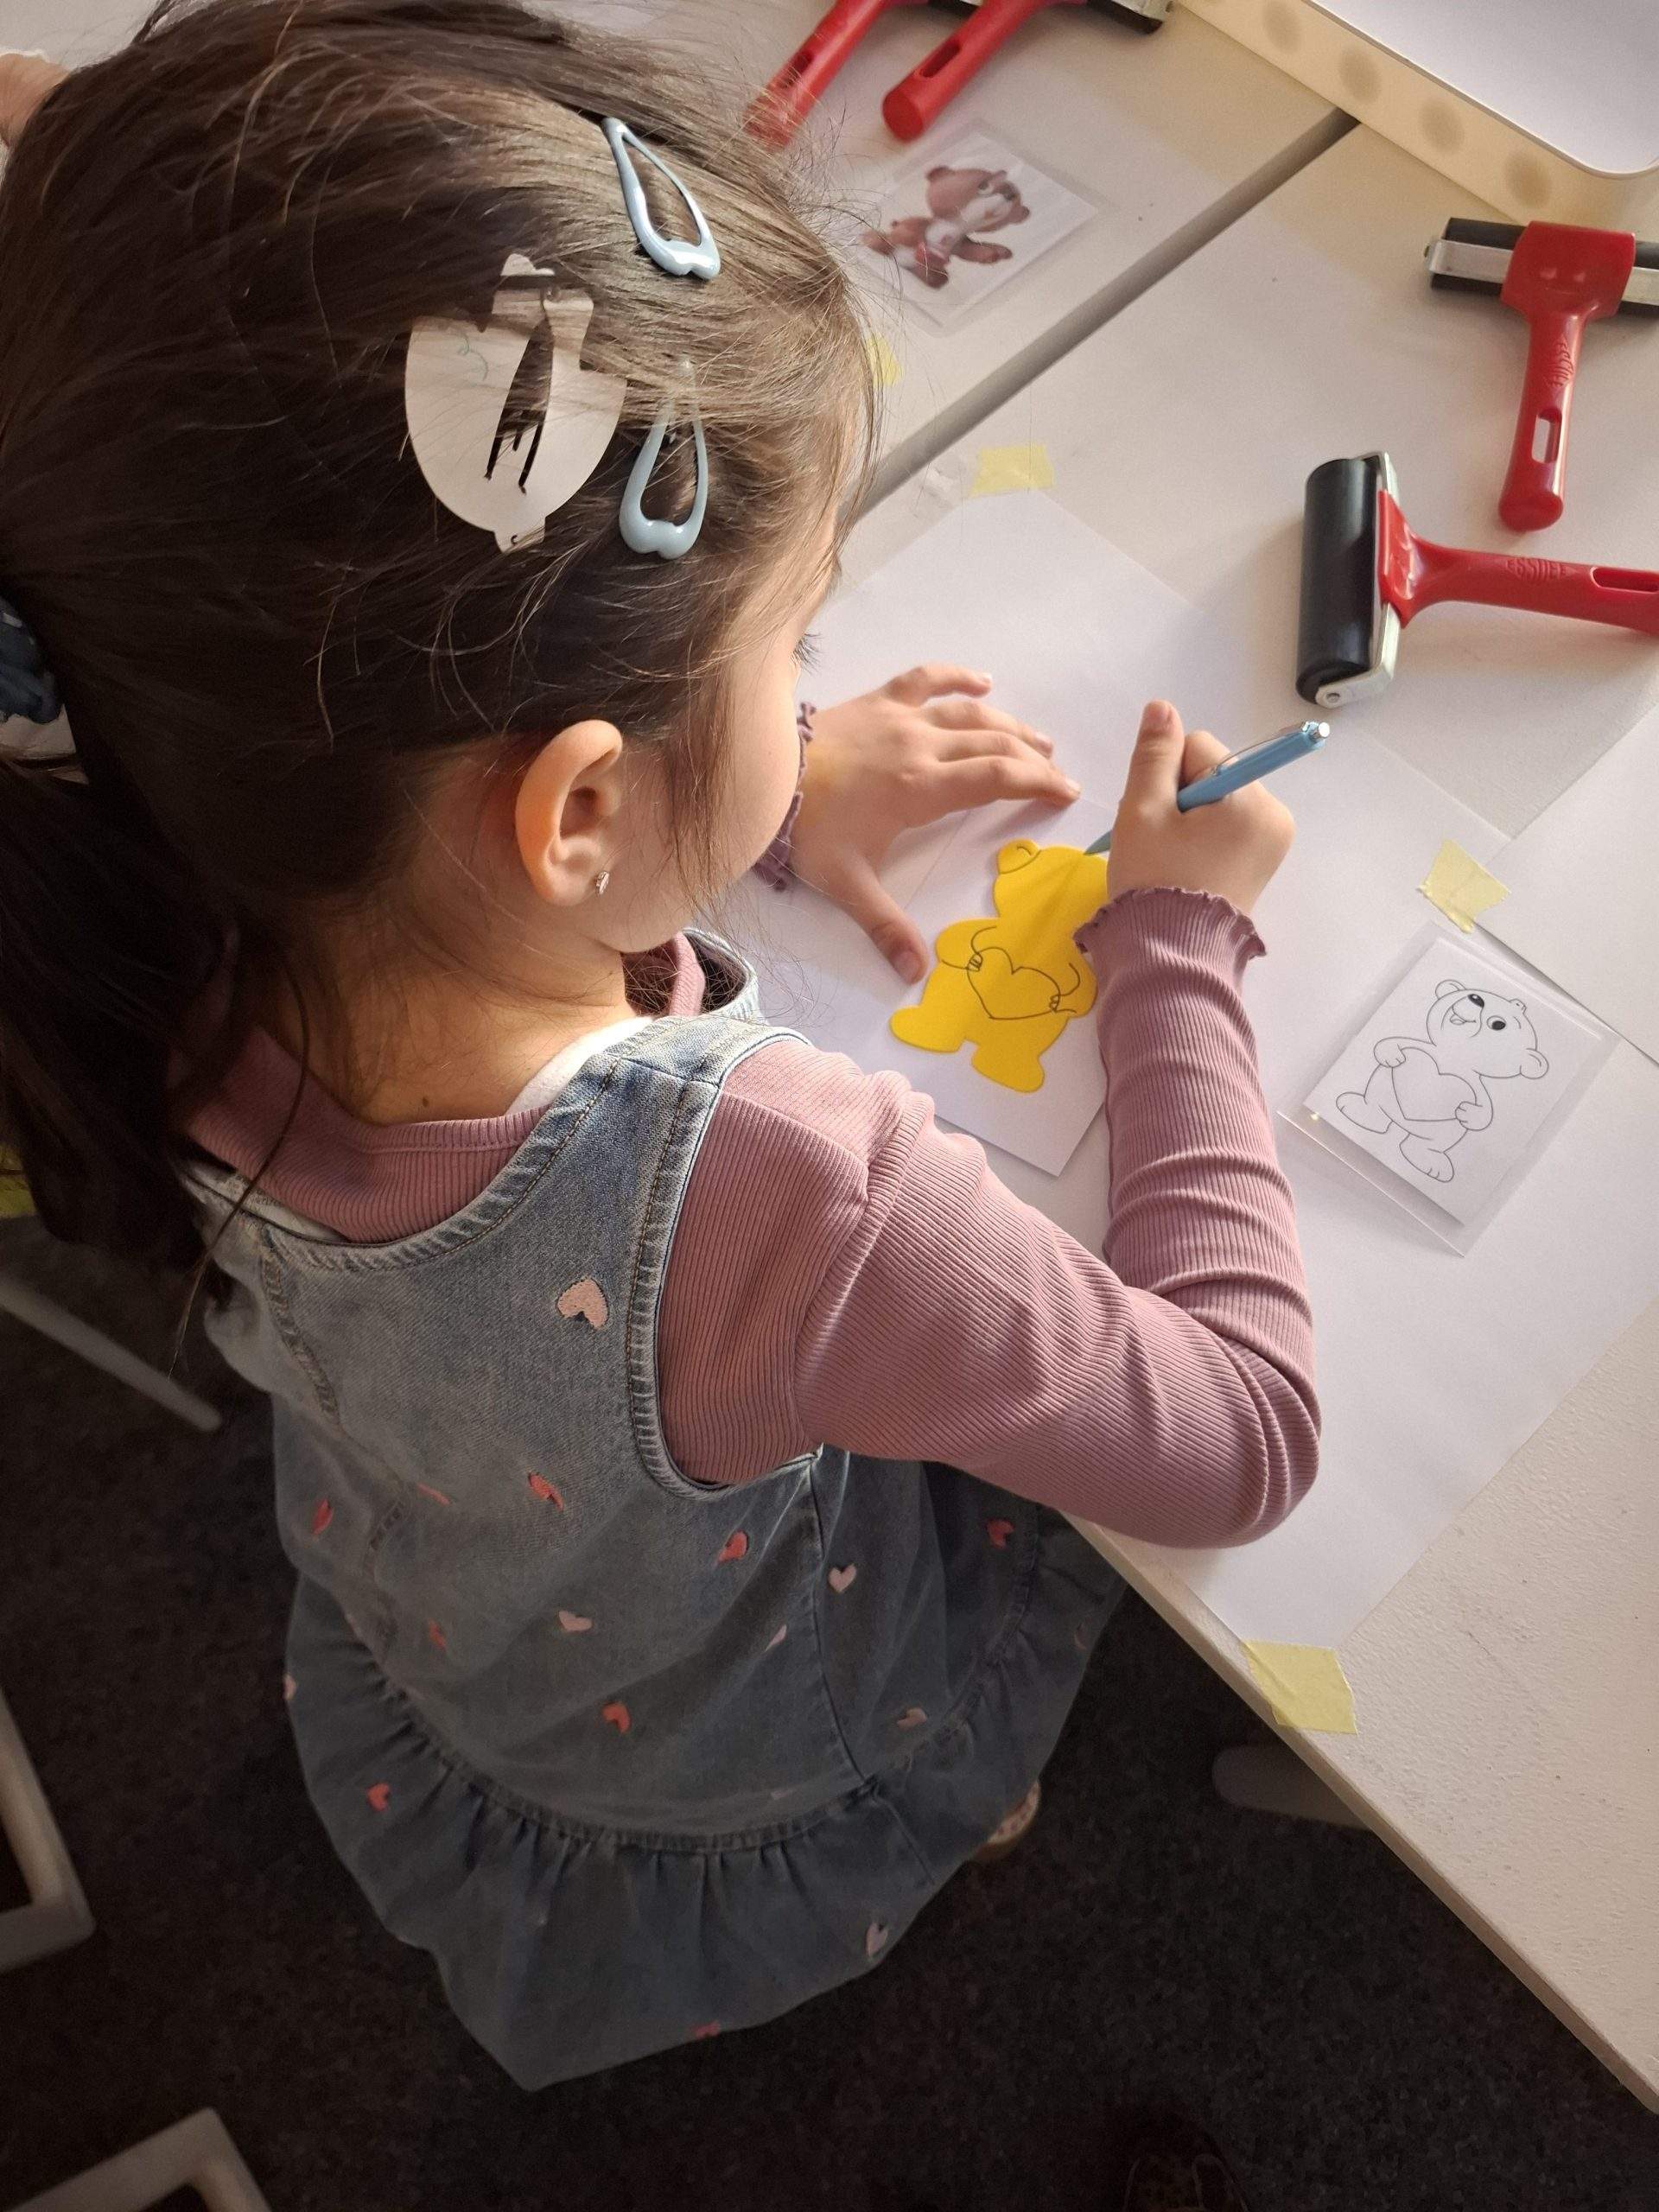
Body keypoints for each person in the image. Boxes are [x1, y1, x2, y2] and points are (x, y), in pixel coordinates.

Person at [0, 2, 1316, 2089]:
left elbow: (444, 824)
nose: (811, 679)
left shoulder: (143, 880)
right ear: (579, 810)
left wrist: (757, 785)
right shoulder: (788, 1190)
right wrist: (1176, 938)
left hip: (463, 1638)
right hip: (759, 1750)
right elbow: (1239, 1434)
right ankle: (945, 1803)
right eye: (792, 647)